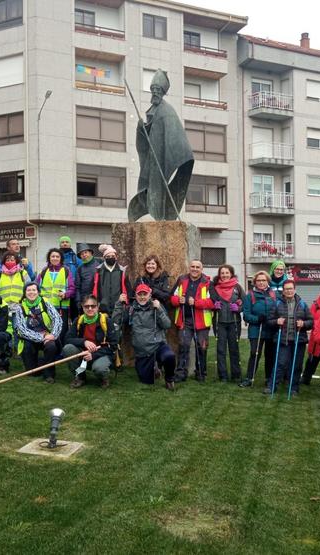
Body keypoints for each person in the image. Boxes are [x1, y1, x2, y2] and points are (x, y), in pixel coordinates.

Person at [128, 69, 194, 222]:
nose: (155, 93)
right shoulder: (153, 109)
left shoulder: (167, 111)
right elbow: (148, 133)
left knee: (159, 186)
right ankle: (153, 213)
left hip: (163, 157)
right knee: (149, 186)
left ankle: (160, 215)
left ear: (163, 92)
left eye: (158, 90)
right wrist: (141, 127)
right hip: (153, 157)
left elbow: (175, 137)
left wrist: (170, 159)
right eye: (153, 90)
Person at [113, 283, 176, 390]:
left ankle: (169, 379)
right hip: (142, 351)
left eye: (145, 294)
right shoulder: (131, 310)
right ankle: (154, 367)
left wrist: (160, 309)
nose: (142, 297)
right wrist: (119, 304)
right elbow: (116, 321)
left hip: (157, 345)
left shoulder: (156, 307)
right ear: (136, 296)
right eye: (139, 294)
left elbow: (167, 324)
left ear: (149, 295)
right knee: (146, 381)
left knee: (169, 356)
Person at [62, 295, 120, 389]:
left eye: (93, 306)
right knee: (68, 348)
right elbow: (67, 339)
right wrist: (84, 342)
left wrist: (93, 355)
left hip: (101, 354)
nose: (90, 308)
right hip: (83, 353)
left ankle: (103, 378)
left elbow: (113, 345)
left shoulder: (107, 321)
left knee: (99, 368)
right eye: (86, 306)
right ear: (82, 306)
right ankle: (80, 377)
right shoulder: (78, 321)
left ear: (98, 306)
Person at [170, 259, 213, 382]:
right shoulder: (182, 280)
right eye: (192, 266)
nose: (194, 269)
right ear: (189, 268)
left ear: (202, 269)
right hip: (185, 320)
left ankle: (201, 373)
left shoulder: (208, 282)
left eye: (197, 267)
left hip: (202, 322)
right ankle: (181, 373)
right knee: (183, 345)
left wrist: (197, 303)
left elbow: (213, 302)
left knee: (202, 347)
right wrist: (178, 300)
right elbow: (172, 297)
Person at [9, 281, 62, 383]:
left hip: (48, 337)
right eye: (28, 290)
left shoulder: (45, 303)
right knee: (32, 372)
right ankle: (44, 362)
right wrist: (41, 337)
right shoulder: (20, 308)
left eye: (34, 290)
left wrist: (53, 335)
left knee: (51, 346)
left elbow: (57, 320)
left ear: (38, 292)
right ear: (25, 293)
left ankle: (49, 375)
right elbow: (22, 330)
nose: (31, 292)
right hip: (29, 339)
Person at [271, 279, 313, 395]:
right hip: (283, 339)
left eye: (291, 288)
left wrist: (304, 324)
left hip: (298, 340)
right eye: (286, 289)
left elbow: (311, 321)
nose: (289, 291)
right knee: (281, 363)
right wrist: (276, 321)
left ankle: (294, 387)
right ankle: (272, 385)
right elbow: (269, 321)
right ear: (283, 291)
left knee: (297, 365)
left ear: (295, 289)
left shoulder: (302, 304)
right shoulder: (277, 303)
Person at [239, 271, 278, 388]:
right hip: (256, 330)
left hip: (270, 329)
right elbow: (246, 315)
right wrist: (257, 319)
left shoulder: (274, 295)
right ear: (255, 282)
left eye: (264, 280)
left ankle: (268, 378)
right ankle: (249, 378)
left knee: (270, 355)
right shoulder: (249, 295)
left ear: (268, 282)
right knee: (255, 353)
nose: (261, 283)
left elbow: (278, 310)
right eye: (259, 280)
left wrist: (273, 319)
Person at [209, 264, 244, 382]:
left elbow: (245, 303)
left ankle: (236, 375)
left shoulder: (237, 287)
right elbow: (210, 302)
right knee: (221, 349)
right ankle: (222, 375)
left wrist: (238, 308)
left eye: (227, 273)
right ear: (219, 275)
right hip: (220, 322)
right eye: (222, 273)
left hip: (234, 322)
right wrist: (214, 306)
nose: (224, 275)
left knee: (234, 349)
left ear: (231, 274)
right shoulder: (214, 287)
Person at [36, 248, 75, 338]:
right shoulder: (44, 271)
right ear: (49, 258)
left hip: (61, 307)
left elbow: (72, 288)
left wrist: (65, 294)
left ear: (61, 258)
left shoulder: (66, 271)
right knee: (48, 328)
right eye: (53, 256)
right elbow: (36, 287)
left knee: (61, 330)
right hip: (45, 306)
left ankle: (61, 350)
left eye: (57, 256)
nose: (55, 258)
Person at [92, 244, 131, 316]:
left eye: (113, 256)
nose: (111, 258)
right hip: (102, 309)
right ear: (104, 258)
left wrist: (126, 303)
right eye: (108, 256)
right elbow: (93, 289)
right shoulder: (98, 271)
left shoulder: (122, 271)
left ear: (116, 257)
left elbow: (128, 290)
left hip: (119, 308)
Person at [59, 235, 82, 322]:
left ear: (70, 244)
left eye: (67, 242)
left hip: (73, 291)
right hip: (59, 292)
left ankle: (74, 333)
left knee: (74, 316)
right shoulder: (56, 257)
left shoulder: (76, 258)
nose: (65, 244)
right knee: (61, 317)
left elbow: (81, 272)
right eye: (63, 242)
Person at [75, 242, 99, 311]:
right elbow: (77, 287)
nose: (84, 255)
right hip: (85, 299)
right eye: (82, 254)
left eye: (86, 252)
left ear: (90, 253)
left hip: (97, 299)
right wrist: (78, 301)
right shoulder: (80, 268)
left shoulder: (99, 265)